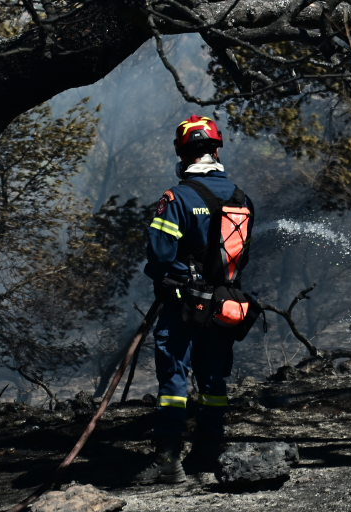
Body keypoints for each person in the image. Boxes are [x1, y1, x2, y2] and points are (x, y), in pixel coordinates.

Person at [132, 115, 254, 484]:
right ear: (216, 150)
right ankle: (208, 451)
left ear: (183, 155)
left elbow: (159, 255)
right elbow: (241, 256)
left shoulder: (176, 198)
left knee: (174, 379)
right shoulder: (241, 197)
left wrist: (166, 281)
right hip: (224, 305)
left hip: (183, 307)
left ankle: (169, 461)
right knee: (214, 379)